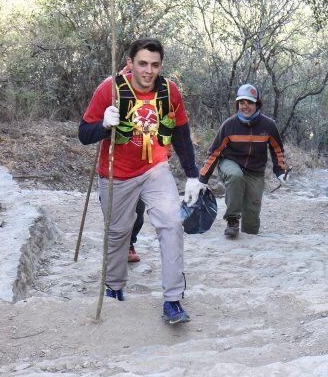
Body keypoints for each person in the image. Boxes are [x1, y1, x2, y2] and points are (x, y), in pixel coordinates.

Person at [78, 37, 203, 325]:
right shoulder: (109, 90)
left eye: (155, 65)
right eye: (142, 64)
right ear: (130, 63)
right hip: (116, 174)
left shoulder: (169, 92)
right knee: (118, 233)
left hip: (155, 168)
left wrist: (193, 175)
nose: (148, 71)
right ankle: (114, 289)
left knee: (172, 224)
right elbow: (84, 133)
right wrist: (103, 125)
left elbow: (181, 134)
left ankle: (173, 300)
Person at [198, 83, 288, 238]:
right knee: (235, 176)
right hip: (230, 163)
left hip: (255, 171)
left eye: (250, 103)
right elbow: (214, 153)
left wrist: (280, 171)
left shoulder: (269, 125)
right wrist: (202, 179)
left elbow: (277, 150)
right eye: (242, 102)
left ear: (257, 104)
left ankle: (248, 231)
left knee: (251, 226)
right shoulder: (229, 125)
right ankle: (232, 220)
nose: (245, 106)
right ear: (237, 104)